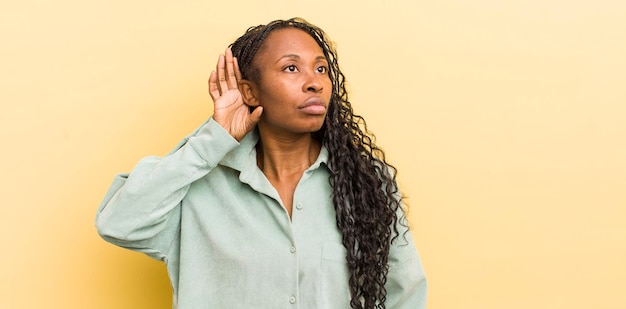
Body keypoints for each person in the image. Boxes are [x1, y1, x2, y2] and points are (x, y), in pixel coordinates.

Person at [96, 17, 426, 309]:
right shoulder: (195, 188)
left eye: (321, 68)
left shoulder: (367, 185)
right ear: (249, 93)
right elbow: (120, 223)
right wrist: (215, 137)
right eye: (291, 68)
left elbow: (404, 293)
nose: (315, 82)